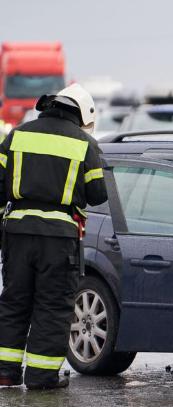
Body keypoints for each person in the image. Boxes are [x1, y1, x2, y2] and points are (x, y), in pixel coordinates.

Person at [0, 83, 107, 389]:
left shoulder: (17, 135)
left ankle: (5, 373)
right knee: (52, 306)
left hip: (18, 233)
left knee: (14, 301)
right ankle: (41, 376)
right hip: (59, 238)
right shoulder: (84, 143)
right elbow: (97, 194)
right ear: (81, 114)